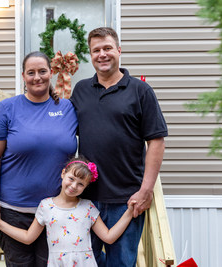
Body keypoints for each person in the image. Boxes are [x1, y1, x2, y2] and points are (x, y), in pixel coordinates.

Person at [70, 27, 168, 267]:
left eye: (107, 48)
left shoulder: (140, 90)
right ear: (90, 56)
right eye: (96, 50)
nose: (102, 54)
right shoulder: (81, 90)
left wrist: (145, 190)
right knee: (84, 262)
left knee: (122, 263)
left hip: (127, 200)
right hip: (86, 197)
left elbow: (156, 141)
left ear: (119, 50)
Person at [0, 51, 78, 266]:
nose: (37, 77)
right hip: (14, 212)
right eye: (31, 72)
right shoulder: (7, 109)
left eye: (42, 71)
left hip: (56, 211)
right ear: (23, 76)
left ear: (51, 73)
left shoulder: (67, 109)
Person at [0, 156, 136, 267]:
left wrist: (129, 213)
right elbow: (27, 237)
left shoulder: (88, 208)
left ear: (86, 187)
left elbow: (109, 237)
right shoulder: (46, 206)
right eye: (71, 179)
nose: (74, 186)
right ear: (63, 174)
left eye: (80, 184)